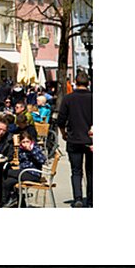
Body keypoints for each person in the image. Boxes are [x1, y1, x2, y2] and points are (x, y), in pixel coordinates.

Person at [57, 70, 93, 207]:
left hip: (74, 139)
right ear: (88, 83)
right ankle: (91, 200)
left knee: (76, 171)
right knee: (91, 171)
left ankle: (78, 198)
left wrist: (63, 133)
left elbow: (61, 120)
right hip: (91, 140)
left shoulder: (68, 99)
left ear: (75, 83)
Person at [1, 131, 47, 207]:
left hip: (33, 174)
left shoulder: (35, 148)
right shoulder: (21, 149)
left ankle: (7, 200)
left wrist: (31, 151)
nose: (26, 144)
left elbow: (42, 160)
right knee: (8, 182)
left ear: (31, 141)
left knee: (7, 172)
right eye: (23, 142)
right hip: (23, 172)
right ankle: (11, 201)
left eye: (27, 141)